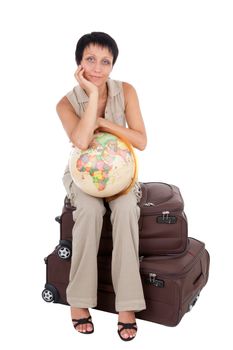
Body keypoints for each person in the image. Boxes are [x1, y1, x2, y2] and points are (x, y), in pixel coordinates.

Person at [56, 32, 147, 341]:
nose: (97, 68)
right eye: (90, 60)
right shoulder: (65, 104)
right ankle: (79, 301)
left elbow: (141, 141)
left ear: (113, 65)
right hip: (84, 176)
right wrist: (92, 96)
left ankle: (127, 306)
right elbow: (81, 141)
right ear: (79, 63)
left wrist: (104, 123)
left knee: (124, 211)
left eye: (105, 61)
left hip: (121, 174)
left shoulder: (127, 91)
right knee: (91, 212)